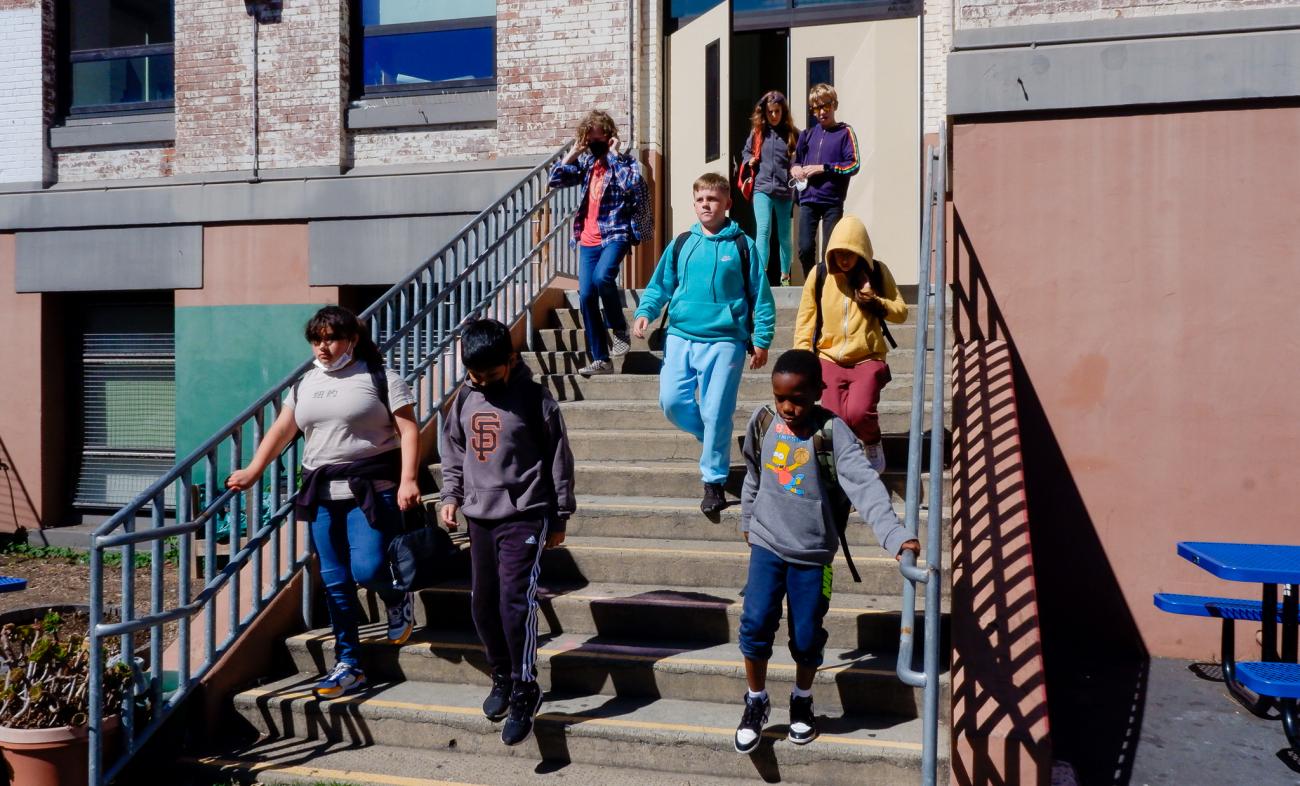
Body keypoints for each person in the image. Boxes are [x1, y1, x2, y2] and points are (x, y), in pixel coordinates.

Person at [226, 305, 420, 700]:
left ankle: (397, 595)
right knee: (334, 582)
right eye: (317, 339)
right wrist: (254, 470)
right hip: (321, 493)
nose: (323, 347)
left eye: (331, 338)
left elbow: (408, 428)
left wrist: (409, 479)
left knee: (366, 569)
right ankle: (349, 663)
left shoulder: (380, 377)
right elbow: (283, 430)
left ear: (352, 339)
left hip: (370, 488)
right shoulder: (306, 383)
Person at [734, 349, 919, 752]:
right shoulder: (763, 421)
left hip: (814, 554)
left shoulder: (832, 433)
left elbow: (866, 487)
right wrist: (748, 521)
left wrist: (894, 534)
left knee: (805, 636)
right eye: (781, 397)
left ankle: (802, 700)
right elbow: (753, 475)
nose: (788, 407)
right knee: (755, 626)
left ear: (819, 391)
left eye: (798, 399)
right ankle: (756, 700)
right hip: (767, 544)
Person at [439, 319, 576, 747]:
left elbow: (558, 458)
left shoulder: (535, 400)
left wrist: (559, 516)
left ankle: (524, 686)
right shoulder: (465, 395)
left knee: (514, 602)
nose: (481, 381)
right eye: (474, 374)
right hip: (480, 516)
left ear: (511, 359)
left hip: (525, 513)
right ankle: (500, 672)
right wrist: (451, 495)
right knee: (482, 605)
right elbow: (454, 449)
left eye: (489, 374)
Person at [631, 172, 776, 516]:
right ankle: (712, 436)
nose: (706, 205)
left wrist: (762, 339)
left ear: (727, 203)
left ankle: (713, 480)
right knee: (671, 402)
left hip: (726, 340)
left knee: (716, 411)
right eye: (700, 200)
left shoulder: (743, 246)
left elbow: (761, 297)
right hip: (681, 335)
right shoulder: (682, 243)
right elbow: (659, 285)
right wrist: (645, 311)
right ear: (693, 203)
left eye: (713, 199)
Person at [792, 215, 906, 473]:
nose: (843, 259)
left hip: (868, 357)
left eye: (850, 253)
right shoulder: (819, 274)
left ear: (861, 252)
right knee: (836, 418)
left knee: (859, 411)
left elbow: (901, 312)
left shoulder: (878, 272)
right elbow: (806, 317)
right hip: (828, 358)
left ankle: (872, 441)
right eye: (839, 252)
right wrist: (802, 356)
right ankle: (848, 464)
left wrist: (875, 301)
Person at [548, 109, 652, 377]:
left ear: (609, 136)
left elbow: (634, 186)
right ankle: (601, 359)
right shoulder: (586, 164)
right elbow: (554, 179)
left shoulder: (625, 162)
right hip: (587, 238)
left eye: (598, 138)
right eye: (589, 138)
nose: (593, 143)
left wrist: (615, 156)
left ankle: (619, 329)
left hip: (615, 234)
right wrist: (573, 153)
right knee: (586, 295)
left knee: (603, 278)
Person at [790, 83, 861, 277]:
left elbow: (853, 164)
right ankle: (812, 284)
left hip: (832, 201)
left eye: (826, 106)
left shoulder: (845, 132)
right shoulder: (807, 135)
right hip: (808, 200)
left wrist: (823, 168)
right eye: (816, 108)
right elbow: (796, 160)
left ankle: (828, 288)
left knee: (830, 251)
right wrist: (795, 168)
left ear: (834, 105)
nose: (821, 112)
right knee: (804, 249)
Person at [740, 90, 800, 286]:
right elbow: (746, 152)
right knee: (763, 231)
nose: (774, 115)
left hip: (784, 191)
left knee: (784, 235)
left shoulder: (792, 134)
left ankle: (785, 276)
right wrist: (750, 160)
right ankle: (761, 277)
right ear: (764, 113)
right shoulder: (758, 133)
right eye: (770, 112)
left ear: (783, 111)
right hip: (762, 188)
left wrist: (796, 168)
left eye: (777, 111)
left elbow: (797, 158)